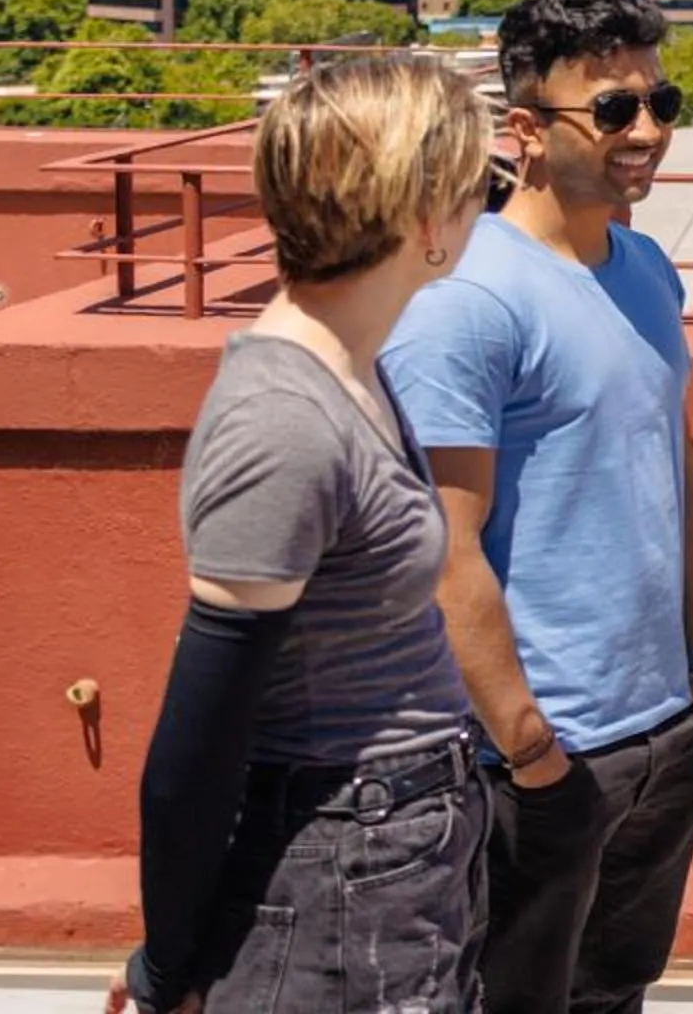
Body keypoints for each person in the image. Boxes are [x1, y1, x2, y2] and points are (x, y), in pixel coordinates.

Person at [109, 54, 494, 1014]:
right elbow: (198, 739)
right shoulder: (282, 420)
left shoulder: (354, 367)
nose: (488, 208)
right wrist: (167, 969)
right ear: (424, 219)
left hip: (398, 851)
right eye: (480, 187)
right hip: (342, 872)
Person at [385, 0, 693, 1014]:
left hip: (664, 733)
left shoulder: (648, 266)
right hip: (537, 755)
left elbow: (675, 462)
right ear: (526, 130)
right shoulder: (466, 301)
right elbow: (443, 548)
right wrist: (530, 749)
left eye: (659, 103)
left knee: (616, 994)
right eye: (614, 108)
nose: (647, 131)